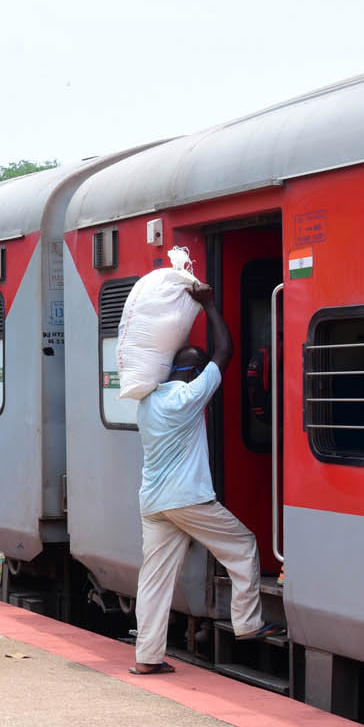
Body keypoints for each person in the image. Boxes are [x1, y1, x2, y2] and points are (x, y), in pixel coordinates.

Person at [130, 287, 283, 675]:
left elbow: (213, 358)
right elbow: (225, 352)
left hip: (154, 504)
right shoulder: (188, 397)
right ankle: (247, 623)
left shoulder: (147, 401)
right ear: (194, 372)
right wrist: (210, 306)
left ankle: (147, 657)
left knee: (154, 580)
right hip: (187, 499)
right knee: (243, 545)